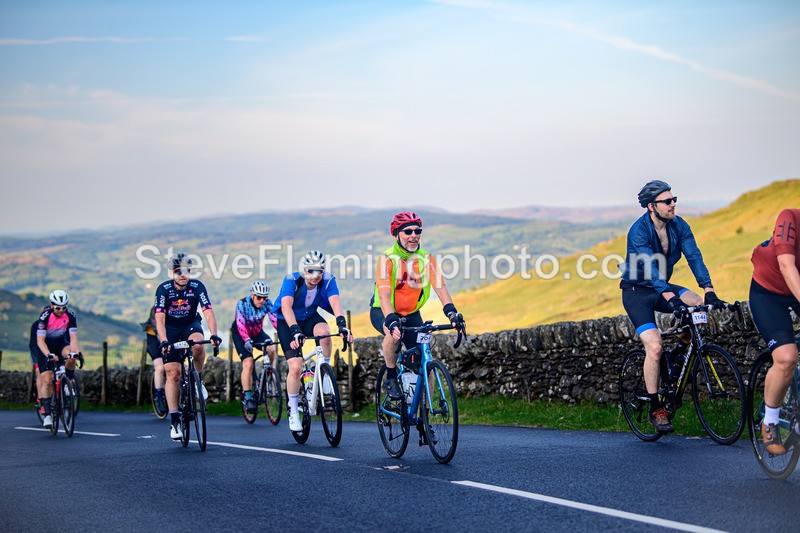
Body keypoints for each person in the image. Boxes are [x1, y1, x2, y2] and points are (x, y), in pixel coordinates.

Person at [619, 180, 728, 434]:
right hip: (637, 293)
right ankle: (656, 408)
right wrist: (670, 298)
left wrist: (708, 289)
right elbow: (652, 269)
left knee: (698, 305)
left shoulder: (679, 226)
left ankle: (680, 351)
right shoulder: (639, 232)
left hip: (662, 287)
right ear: (651, 207)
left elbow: (694, 257)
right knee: (655, 346)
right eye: (667, 201)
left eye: (673, 199)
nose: (673, 204)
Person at [370, 211, 466, 403]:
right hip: (384, 311)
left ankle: (425, 412)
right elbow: (384, 295)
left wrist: (451, 313)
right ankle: (390, 375)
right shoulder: (386, 259)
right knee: (392, 334)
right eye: (407, 231)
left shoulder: (426, 259)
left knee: (425, 361)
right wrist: (391, 320)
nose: (413, 235)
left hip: (412, 313)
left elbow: (440, 287)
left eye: (417, 231)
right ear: (396, 234)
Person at [275, 250, 353, 432]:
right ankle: (293, 411)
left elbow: (336, 304)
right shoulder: (291, 280)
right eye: (311, 271)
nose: (315, 275)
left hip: (310, 316)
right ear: (303, 270)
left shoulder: (328, 280)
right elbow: (286, 307)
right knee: (295, 366)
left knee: (325, 332)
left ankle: (324, 372)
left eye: (320, 270)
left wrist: (343, 326)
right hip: (287, 321)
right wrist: (295, 331)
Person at [749, 208, 800, 455]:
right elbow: (786, 265)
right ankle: (769, 421)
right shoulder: (789, 218)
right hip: (768, 293)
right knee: (786, 358)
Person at [154, 253, 221, 440]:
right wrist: (164, 340)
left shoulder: (197, 286)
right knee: (173, 374)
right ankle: (175, 419)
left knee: (199, 345)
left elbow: (208, 311)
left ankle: (197, 380)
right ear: (172, 272)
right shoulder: (164, 289)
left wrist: (214, 333)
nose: (183, 275)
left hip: (190, 325)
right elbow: (159, 319)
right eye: (178, 272)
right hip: (171, 329)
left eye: (186, 271)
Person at [32, 290, 81, 428]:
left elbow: (73, 338)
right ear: (52, 305)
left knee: (72, 356)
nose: (61, 310)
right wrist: (48, 354)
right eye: (58, 307)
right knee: (47, 380)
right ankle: (47, 414)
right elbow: (40, 340)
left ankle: (68, 383)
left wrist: (75, 352)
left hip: (60, 343)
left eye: (64, 307)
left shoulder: (70, 315)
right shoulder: (45, 316)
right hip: (45, 346)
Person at [231, 280, 277, 415]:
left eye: (265, 297)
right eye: (259, 297)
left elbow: (275, 320)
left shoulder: (267, 303)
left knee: (271, 349)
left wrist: (285, 333)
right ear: (252, 295)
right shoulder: (242, 304)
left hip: (257, 332)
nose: (262, 300)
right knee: (248, 363)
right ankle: (249, 397)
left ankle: (266, 373)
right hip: (241, 334)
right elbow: (240, 325)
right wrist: (246, 340)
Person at [141, 306, 167, 414]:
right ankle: (159, 396)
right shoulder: (156, 309)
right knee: (160, 367)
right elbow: (159, 329)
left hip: (169, 336)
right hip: (154, 338)